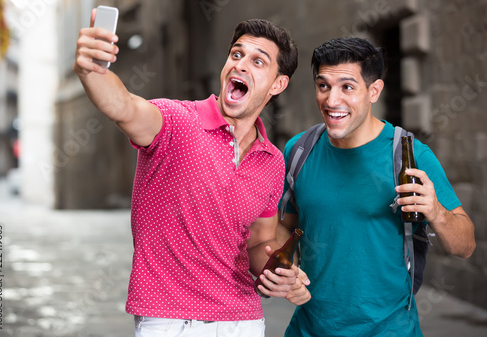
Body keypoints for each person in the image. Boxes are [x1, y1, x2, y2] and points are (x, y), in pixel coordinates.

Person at [74, 9, 300, 337]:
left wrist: (276, 271)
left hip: (244, 320)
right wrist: (92, 69)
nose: (240, 64)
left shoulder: (272, 161)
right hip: (169, 319)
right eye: (236, 54)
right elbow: (123, 106)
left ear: (278, 84)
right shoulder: (176, 121)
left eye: (258, 61)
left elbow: (261, 239)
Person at [278, 37, 476, 336]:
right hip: (309, 328)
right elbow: (286, 229)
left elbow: (466, 246)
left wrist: (436, 212)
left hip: (389, 329)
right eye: (323, 86)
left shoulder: (410, 155)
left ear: (374, 91)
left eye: (347, 87)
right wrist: (285, 266)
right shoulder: (299, 151)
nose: (332, 100)